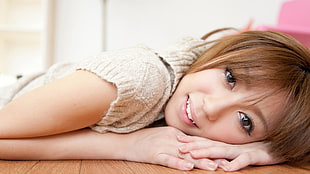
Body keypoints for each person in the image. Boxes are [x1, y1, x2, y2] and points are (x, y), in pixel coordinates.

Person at [0, 29, 309, 171]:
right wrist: (126, 146)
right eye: (230, 78)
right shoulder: (136, 78)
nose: (211, 108)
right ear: (222, 55)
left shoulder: (194, 85)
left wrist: (272, 149)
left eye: (245, 121)